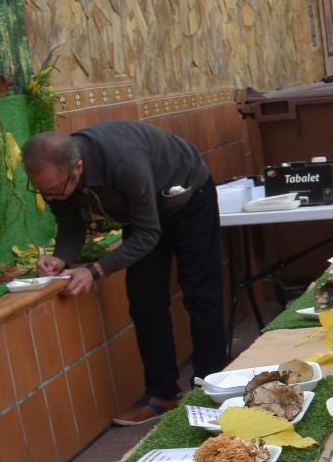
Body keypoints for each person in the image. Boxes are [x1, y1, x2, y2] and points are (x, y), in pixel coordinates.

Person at [26, 124, 225, 426]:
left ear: (78, 167)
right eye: (43, 192)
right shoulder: (60, 176)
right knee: (144, 296)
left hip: (189, 193)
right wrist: (61, 259)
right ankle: (161, 395)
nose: (51, 198)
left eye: (55, 191)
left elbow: (148, 233)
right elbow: (70, 227)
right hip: (145, 207)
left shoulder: (123, 161)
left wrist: (94, 270)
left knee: (199, 291)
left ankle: (212, 388)